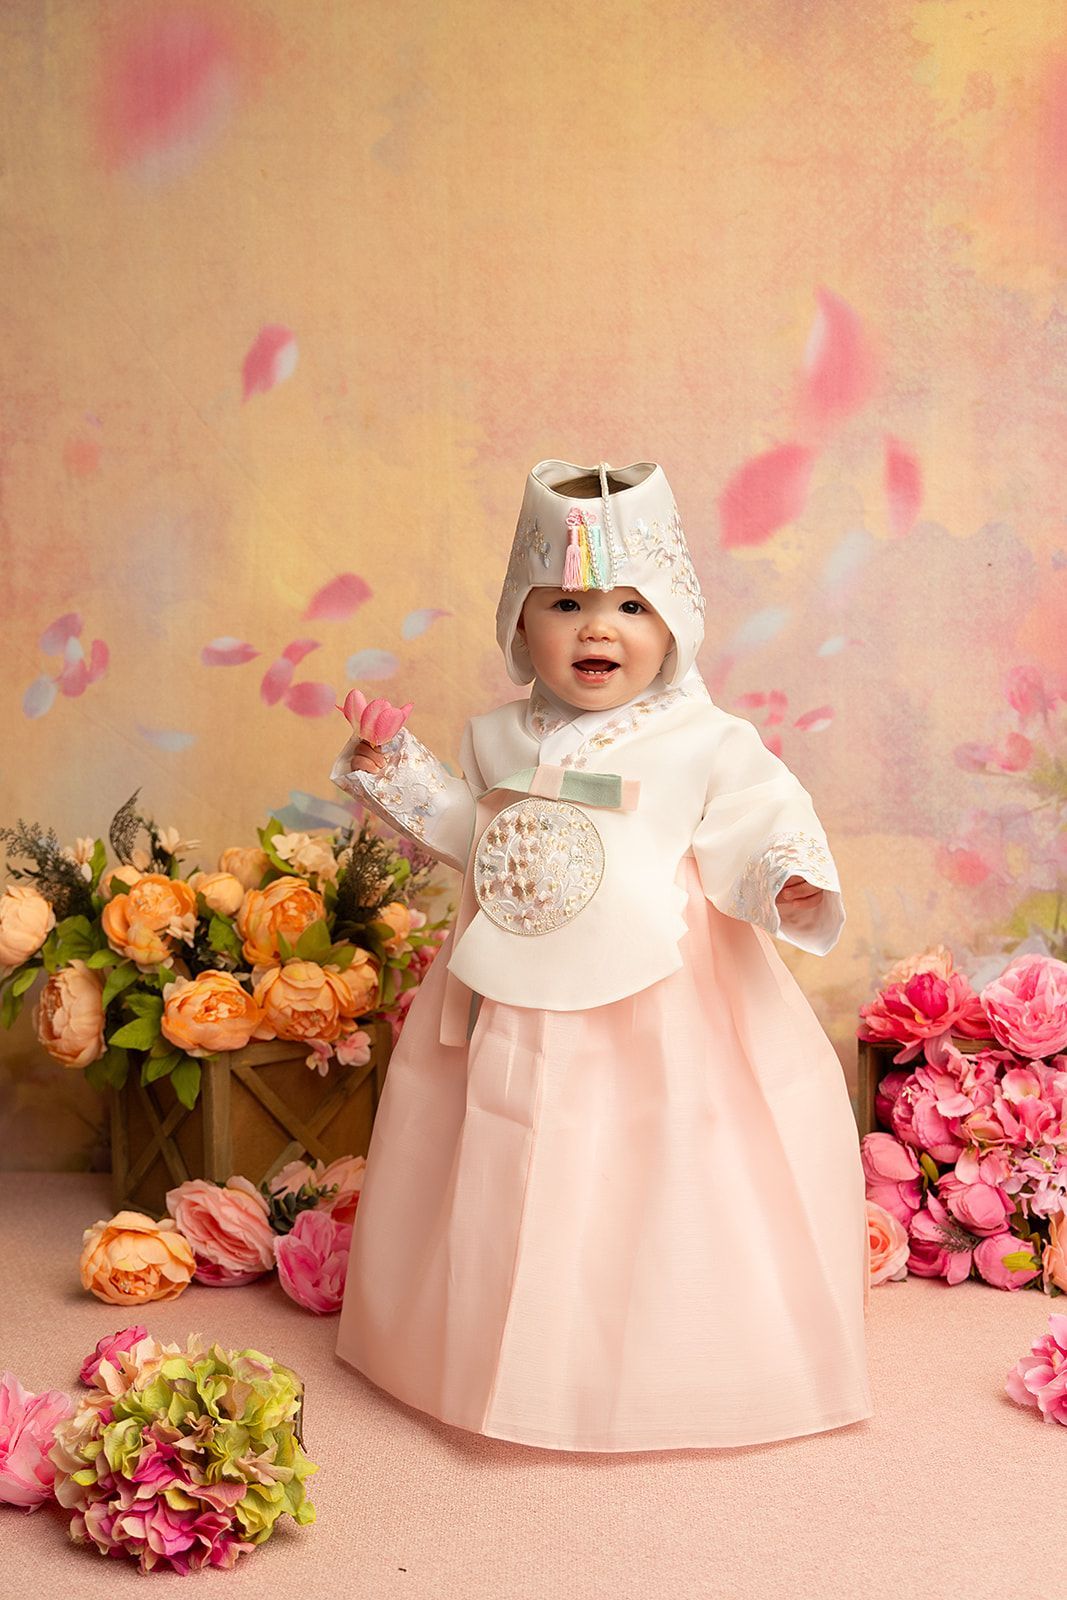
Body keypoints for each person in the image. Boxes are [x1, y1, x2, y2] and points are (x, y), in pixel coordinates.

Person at [329, 457, 873, 1452]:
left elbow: (759, 817)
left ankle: (668, 1358)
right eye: (565, 600)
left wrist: (783, 876)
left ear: (671, 623)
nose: (595, 627)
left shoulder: (703, 738)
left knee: (652, 1162)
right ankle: (478, 1345)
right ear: (518, 619)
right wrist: (391, 769)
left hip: (659, 1003)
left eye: (629, 603)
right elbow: (472, 836)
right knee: (505, 1146)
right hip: (511, 990)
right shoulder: (495, 736)